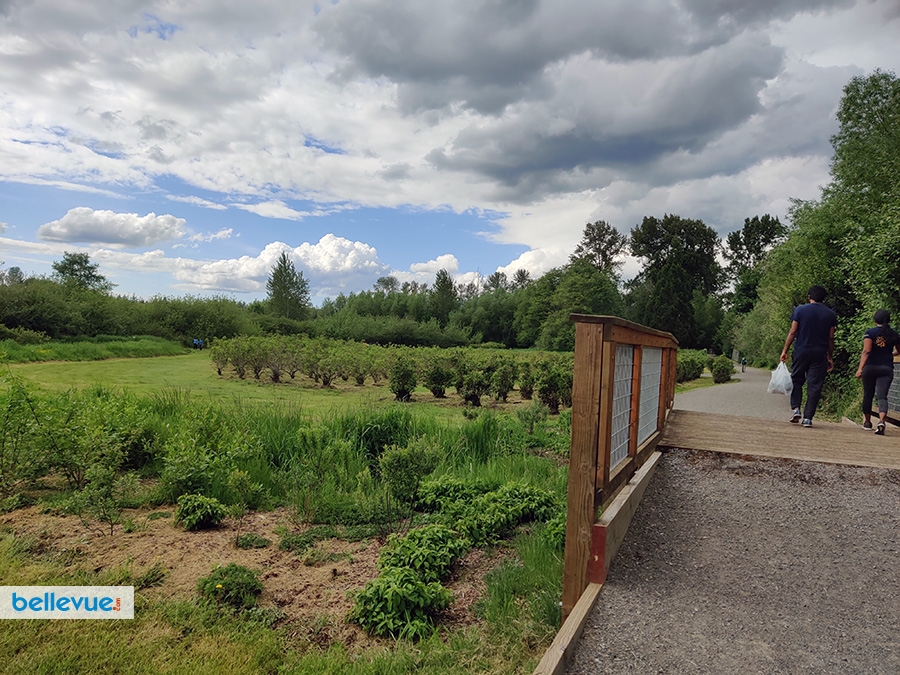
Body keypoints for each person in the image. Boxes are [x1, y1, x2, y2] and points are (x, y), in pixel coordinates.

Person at [780, 285, 837, 428]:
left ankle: (796, 409)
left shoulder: (800, 310)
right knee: (814, 386)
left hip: (801, 351)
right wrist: (830, 356)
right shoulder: (830, 314)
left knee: (797, 379)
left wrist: (785, 350)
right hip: (819, 353)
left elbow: (793, 332)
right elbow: (831, 338)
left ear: (809, 296)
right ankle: (808, 418)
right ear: (824, 298)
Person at [854, 309, 900, 435]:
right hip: (886, 368)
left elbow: (866, 351)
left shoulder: (870, 333)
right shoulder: (894, 334)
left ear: (875, 320)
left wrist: (860, 368)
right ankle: (881, 420)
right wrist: (891, 354)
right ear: (889, 320)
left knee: (868, 394)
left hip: (870, 368)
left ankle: (867, 422)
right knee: (882, 396)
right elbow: (899, 351)